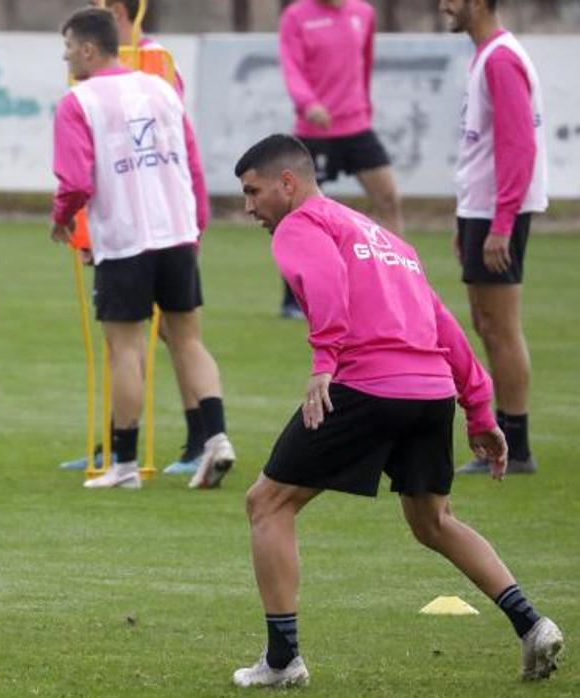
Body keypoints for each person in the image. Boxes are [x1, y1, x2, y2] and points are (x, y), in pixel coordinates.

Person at [230, 134, 562, 688]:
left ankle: (283, 660)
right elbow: (441, 322)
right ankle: (533, 624)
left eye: (253, 191)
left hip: (369, 385)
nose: (248, 208)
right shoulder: (384, 237)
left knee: (267, 503)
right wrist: (479, 409)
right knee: (434, 521)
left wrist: (323, 360)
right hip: (430, 392)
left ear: (287, 183)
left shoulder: (301, 224)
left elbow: (327, 284)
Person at [51, 7, 234, 491]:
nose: (66, 56)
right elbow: (192, 162)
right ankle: (216, 437)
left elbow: (74, 180)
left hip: (126, 239)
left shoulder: (78, 100)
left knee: (125, 350)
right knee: (188, 339)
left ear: (89, 49)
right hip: (176, 233)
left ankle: (125, 465)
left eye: (68, 47)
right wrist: (197, 224)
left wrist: (61, 219)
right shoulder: (161, 87)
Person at [443, 0, 548, 476]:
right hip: (480, 211)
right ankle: (503, 433)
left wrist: (501, 223)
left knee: (501, 328)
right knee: (486, 323)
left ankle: (517, 445)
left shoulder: (501, 59)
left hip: (496, 213)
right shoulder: (486, 54)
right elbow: (482, 147)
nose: (443, 4)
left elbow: (518, 146)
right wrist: (464, 220)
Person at [278, 0, 403, 320]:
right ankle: (294, 299)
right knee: (300, 214)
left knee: (389, 199)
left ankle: (397, 284)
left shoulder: (364, 13)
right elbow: (291, 69)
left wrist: (365, 108)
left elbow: (366, 64)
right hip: (314, 128)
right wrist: (308, 104)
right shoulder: (296, 16)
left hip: (357, 125)